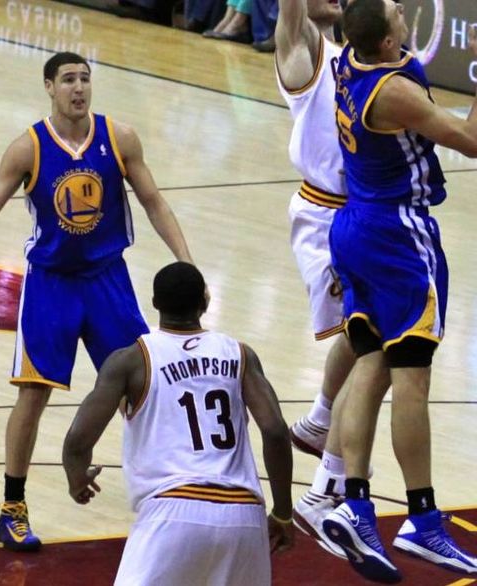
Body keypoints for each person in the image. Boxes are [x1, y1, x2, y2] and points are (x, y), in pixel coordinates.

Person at [0, 52, 192, 551]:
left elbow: (154, 202)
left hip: (107, 278)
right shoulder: (27, 148)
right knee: (33, 393)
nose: (78, 88)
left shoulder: (120, 138)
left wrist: (187, 263)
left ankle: (169, 487)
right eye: (68, 80)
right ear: (49, 87)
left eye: (85, 79)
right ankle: (12, 508)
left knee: (143, 386)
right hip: (51, 283)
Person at [322, 1, 477, 581]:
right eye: (395, 14)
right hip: (397, 233)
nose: (401, 10)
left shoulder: (351, 59)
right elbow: (470, 140)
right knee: (412, 377)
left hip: (355, 224)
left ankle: (355, 502)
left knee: (370, 362)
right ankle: (422, 521)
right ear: (387, 43)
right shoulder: (393, 93)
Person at [61, 262, 294, 585]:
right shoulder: (240, 354)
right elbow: (275, 431)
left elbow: (78, 440)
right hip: (244, 514)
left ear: (155, 303)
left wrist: (76, 477)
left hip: (172, 510)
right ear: (204, 302)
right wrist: (283, 512)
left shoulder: (131, 360)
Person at [273, 0, 360, 558]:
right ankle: (324, 487)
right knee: (368, 340)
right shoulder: (303, 52)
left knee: (365, 337)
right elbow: (292, 13)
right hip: (324, 216)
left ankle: (320, 422)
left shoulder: (357, 56)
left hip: (363, 211)